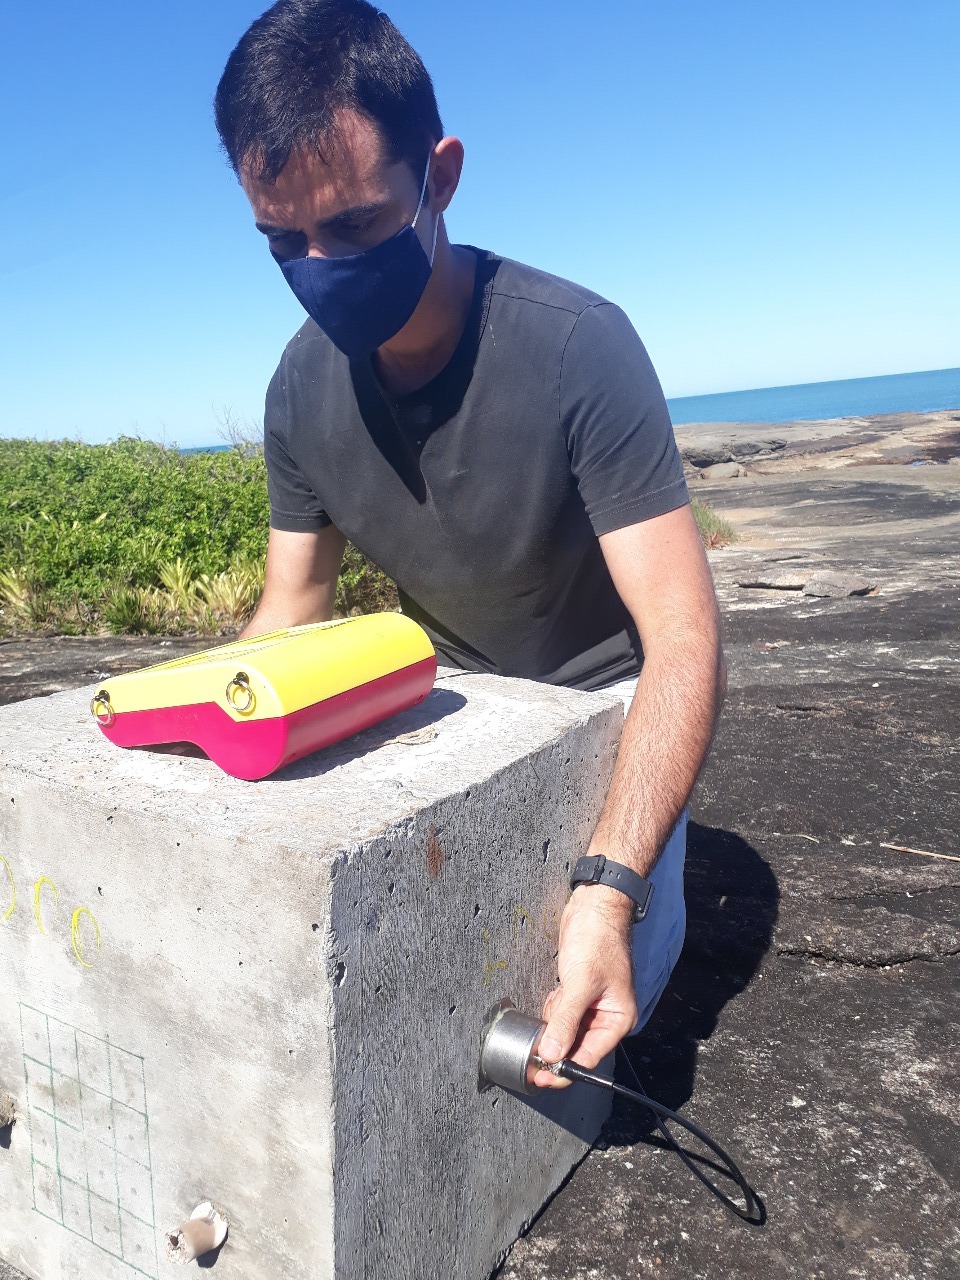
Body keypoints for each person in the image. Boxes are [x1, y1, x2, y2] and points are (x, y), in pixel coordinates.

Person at [214, 0, 725, 1091]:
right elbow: (288, 610)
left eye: (353, 227)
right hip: (450, 709)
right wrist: (193, 735)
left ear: (439, 176)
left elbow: (681, 638)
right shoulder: (300, 387)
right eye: (280, 242)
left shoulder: (578, 346)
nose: (317, 266)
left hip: (605, 718)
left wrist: (608, 880)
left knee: (594, 1049)